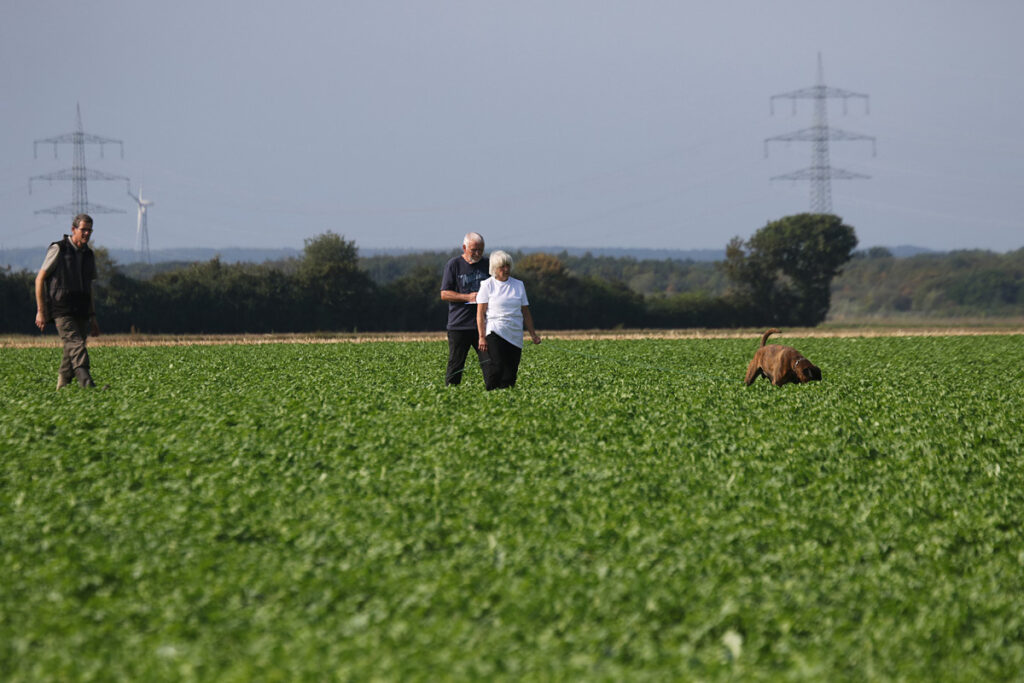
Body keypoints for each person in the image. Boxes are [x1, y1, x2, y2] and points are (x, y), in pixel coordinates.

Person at [35, 214, 101, 389]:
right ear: (73, 230)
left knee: (70, 350)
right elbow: (39, 279)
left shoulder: (89, 254)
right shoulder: (59, 249)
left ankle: (62, 387)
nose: (87, 233)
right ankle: (88, 385)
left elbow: (89, 287)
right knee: (76, 345)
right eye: (83, 229)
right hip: (61, 308)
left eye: (89, 230)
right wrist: (41, 311)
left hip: (81, 309)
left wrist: (93, 317)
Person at [476, 250, 541, 390]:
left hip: (515, 333)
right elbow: (480, 313)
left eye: (507, 266)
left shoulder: (518, 285)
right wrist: (481, 336)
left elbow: (525, 312)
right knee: (498, 365)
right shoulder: (487, 285)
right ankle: (490, 394)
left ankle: (506, 400)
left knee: (511, 373)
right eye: (502, 267)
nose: (506, 270)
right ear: (494, 269)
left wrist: (533, 335)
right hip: (495, 330)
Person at [440, 232, 490, 385]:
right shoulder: (453, 265)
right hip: (459, 325)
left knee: (490, 364)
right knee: (456, 365)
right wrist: (467, 297)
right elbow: (444, 294)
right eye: (474, 250)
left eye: (480, 250)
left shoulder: (488, 264)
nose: (477, 253)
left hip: (484, 326)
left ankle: (497, 395)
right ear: (464, 247)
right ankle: (450, 396)